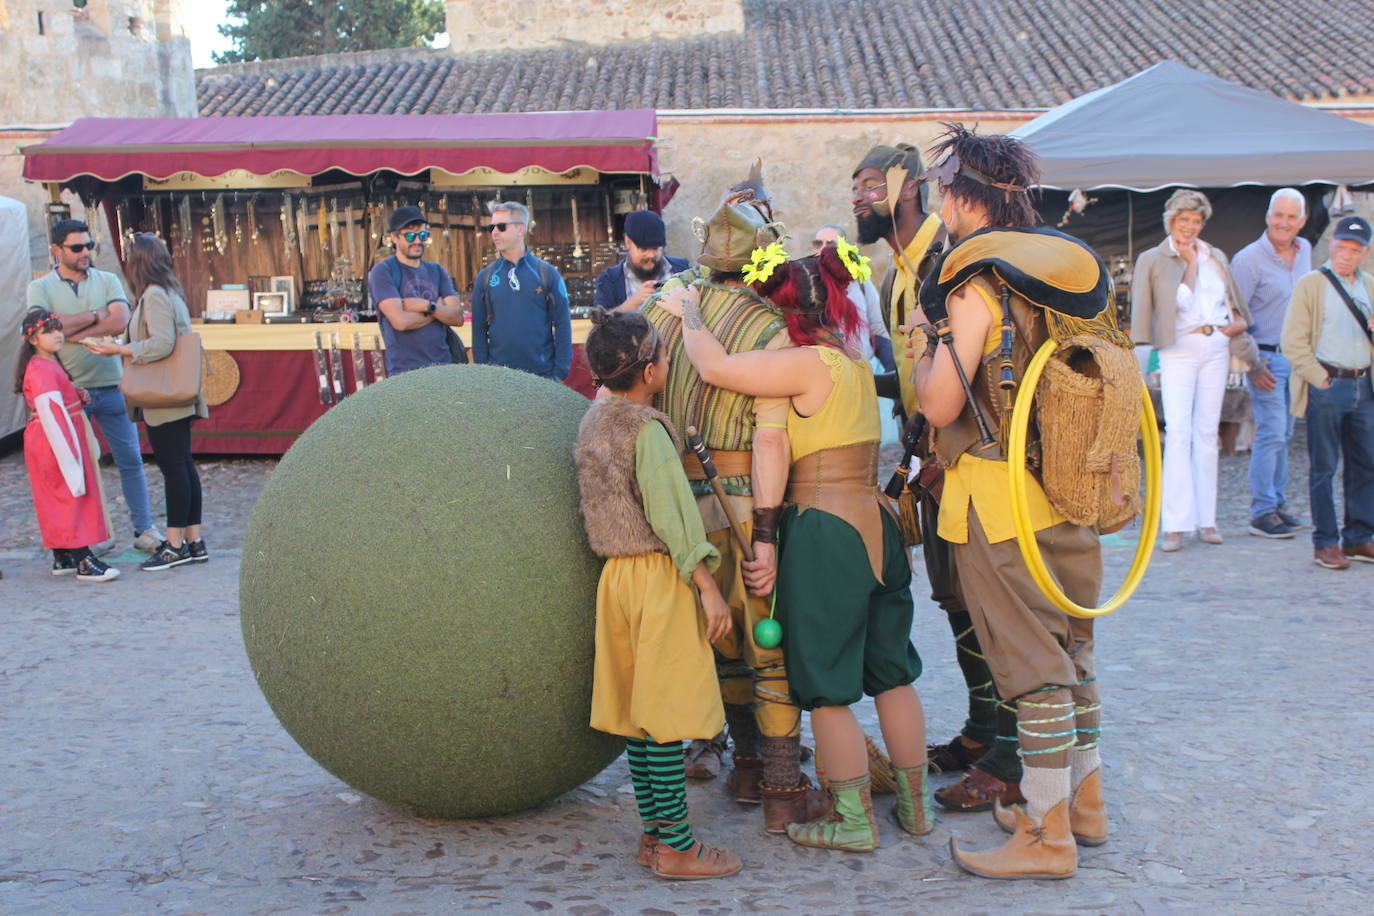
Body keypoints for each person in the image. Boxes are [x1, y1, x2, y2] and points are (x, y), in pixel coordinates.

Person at [661, 245, 932, 853]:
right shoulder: (856, 360)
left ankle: (852, 821)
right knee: (893, 673)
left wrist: (691, 315)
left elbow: (713, 369)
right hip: (877, 525)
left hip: (824, 528)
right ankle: (917, 811)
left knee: (826, 686)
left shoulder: (807, 364)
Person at [910, 124, 1116, 879]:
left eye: (941, 190)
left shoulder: (979, 284)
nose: (939, 205)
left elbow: (938, 406)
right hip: (1071, 490)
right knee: (1076, 654)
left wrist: (922, 346)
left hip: (999, 505)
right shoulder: (1062, 274)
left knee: (1033, 674)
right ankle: (1083, 805)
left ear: (965, 196)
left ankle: (1047, 834)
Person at [641, 168, 833, 834]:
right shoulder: (770, 327)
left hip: (673, 508)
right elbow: (771, 444)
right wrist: (767, 540)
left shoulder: (657, 310)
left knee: (719, 641)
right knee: (767, 643)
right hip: (745, 502)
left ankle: (745, 763)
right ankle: (781, 786)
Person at [853, 143, 1024, 813]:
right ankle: (984, 733)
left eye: (870, 185)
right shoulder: (903, 267)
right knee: (956, 599)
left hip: (972, 459)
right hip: (936, 460)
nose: (860, 198)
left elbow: (959, 379)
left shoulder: (944, 263)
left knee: (988, 605)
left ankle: (1010, 754)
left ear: (910, 189)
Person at [573, 306, 742, 880]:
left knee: (642, 719)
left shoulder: (594, 421)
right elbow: (673, 518)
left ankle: (653, 836)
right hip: (656, 575)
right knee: (666, 714)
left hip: (615, 581)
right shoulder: (647, 432)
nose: (669, 362)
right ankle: (677, 847)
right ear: (648, 371)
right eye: (665, 355)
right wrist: (708, 590)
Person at [27, 219, 161, 553]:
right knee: (81, 464)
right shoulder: (40, 287)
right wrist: (93, 316)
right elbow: (43, 328)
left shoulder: (107, 278)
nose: (86, 252)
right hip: (68, 392)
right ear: (57, 250)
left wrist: (66, 334)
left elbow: (119, 320)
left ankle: (144, 528)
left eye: (90, 246)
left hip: (111, 385)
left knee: (130, 458)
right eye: (77, 247)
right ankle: (92, 535)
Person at [1131, 189, 1252, 552]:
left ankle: (1207, 519)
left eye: (1196, 222)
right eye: (1184, 221)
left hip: (1215, 345)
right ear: (1171, 221)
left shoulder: (1215, 255)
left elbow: (1229, 300)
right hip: (1177, 348)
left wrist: (1237, 322)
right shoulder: (1154, 258)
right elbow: (1162, 306)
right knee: (1179, 432)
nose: (1189, 228)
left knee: (1206, 432)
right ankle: (1175, 523)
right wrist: (1190, 267)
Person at [84, 234, 208, 572]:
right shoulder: (170, 291)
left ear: (137, 263)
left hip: (163, 394)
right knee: (183, 466)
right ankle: (194, 541)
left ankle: (174, 545)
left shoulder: (153, 295)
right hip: (175, 391)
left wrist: (119, 349)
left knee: (174, 470)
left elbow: (161, 344)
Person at [1280, 216, 1374, 570]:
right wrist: (1319, 378)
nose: (1346, 255)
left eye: (1354, 250)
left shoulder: (1370, 286)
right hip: (1329, 383)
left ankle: (1359, 537)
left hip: (1364, 384)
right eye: (1341, 247)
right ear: (1331, 244)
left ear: (1365, 252)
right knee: (1324, 467)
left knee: (1366, 465)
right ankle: (1326, 541)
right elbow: (1293, 341)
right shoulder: (1311, 284)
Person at [15, 308, 119, 582]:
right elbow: (51, 411)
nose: (57, 334)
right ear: (33, 338)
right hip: (55, 438)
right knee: (69, 491)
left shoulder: (48, 364)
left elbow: (60, 401)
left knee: (59, 493)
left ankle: (62, 554)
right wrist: (68, 452)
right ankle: (83, 557)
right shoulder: (40, 369)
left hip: (58, 433)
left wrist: (76, 396)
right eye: (48, 330)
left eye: (58, 328)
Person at [1231, 189, 1312, 538]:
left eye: (1291, 217)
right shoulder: (1248, 260)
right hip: (1266, 358)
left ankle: (1277, 505)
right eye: (1278, 214)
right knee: (1271, 433)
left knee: (1286, 434)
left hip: (1297, 358)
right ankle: (1262, 512)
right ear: (1267, 216)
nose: (1284, 222)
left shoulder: (1305, 250)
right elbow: (1234, 316)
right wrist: (1253, 364)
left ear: (1302, 221)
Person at [470, 201, 572, 381]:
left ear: (521, 229)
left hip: (542, 377)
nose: (494, 232)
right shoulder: (485, 277)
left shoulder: (547, 274)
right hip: (498, 379)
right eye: (491, 227)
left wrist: (559, 372)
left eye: (501, 227)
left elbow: (563, 324)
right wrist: (484, 371)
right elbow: (478, 329)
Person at [368, 205, 467, 376]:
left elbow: (457, 317)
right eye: (410, 235)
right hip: (405, 371)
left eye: (422, 235)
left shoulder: (437, 271)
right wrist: (438, 311)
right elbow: (400, 322)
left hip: (444, 368)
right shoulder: (384, 271)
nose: (417, 241)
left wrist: (427, 306)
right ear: (394, 237)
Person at [811, 224, 891, 371]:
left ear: (845, 248)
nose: (823, 248)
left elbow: (878, 325)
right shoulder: (807, 285)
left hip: (868, 370)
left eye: (831, 244)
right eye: (818, 243)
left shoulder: (859, 280)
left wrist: (890, 365)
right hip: (830, 374)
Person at [594, 210, 689, 311]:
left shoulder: (683, 269)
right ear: (628, 242)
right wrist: (633, 302)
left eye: (656, 249)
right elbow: (600, 323)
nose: (651, 255)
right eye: (644, 249)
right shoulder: (609, 280)